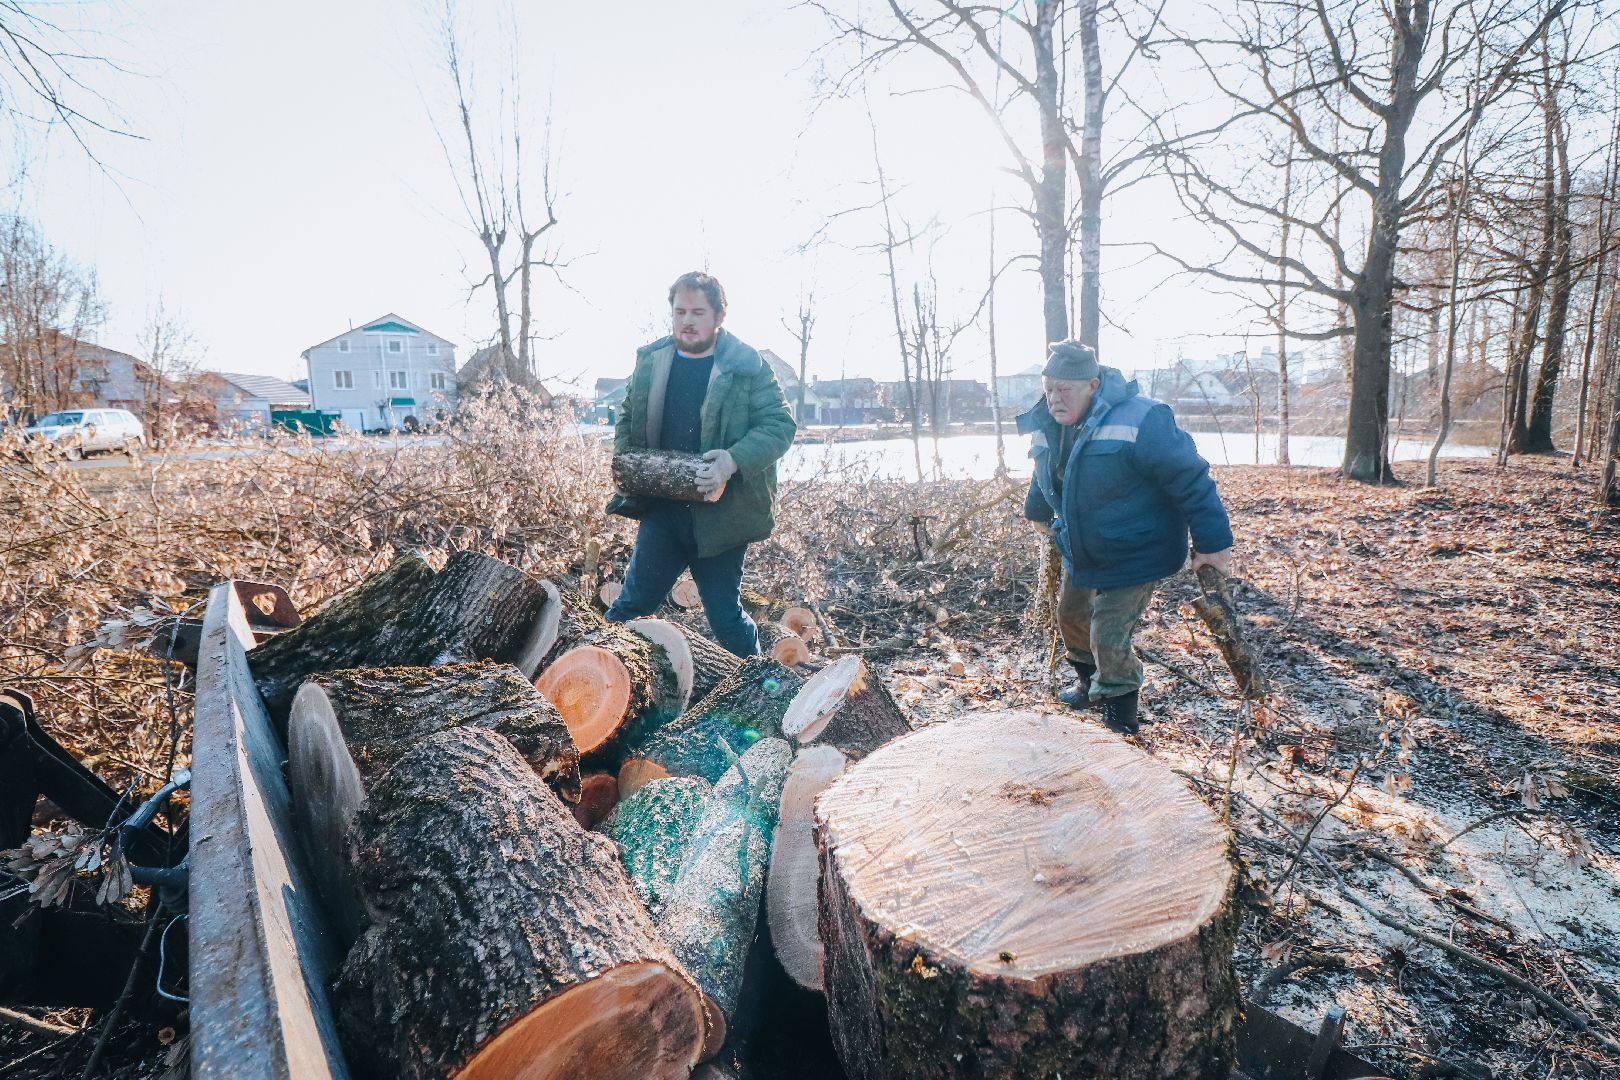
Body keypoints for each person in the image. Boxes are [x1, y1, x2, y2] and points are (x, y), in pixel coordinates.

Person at [1018, 340, 1234, 734]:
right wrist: (1037, 512)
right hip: (1082, 548)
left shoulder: (1143, 418)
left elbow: (1191, 479)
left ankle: (1120, 711)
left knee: (1108, 631)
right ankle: (1088, 685)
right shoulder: (1048, 422)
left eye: (1065, 388)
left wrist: (1212, 544)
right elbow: (1043, 473)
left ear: (1094, 385)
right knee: (1071, 617)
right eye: (1049, 388)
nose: (1054, 398)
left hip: (1138, 550)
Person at [604, 271, 796, 656]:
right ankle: (584, 678)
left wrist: (731, 461)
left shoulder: (747, 366)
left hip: (724, 517)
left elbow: (780, 425)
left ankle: (762, 688)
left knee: (725, 617)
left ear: (718, 316)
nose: (687, 321)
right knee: (630, 606)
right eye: (680, 312)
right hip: (664, 511)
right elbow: (627, 414)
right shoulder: (652, 360)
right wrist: (627, 459)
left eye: (697, 312)